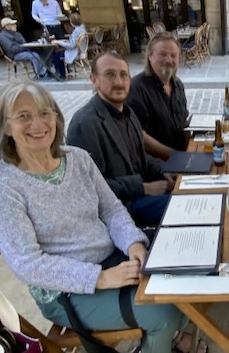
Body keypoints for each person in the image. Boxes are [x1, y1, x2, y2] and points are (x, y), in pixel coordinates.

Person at [0, 81, 207, 353]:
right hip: (66, 291)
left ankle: (169, 332)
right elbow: (27, 264)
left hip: (114, 256)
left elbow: (112, 210)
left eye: (44, 112)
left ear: (56, 118)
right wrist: (100, 278)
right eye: (23, 116)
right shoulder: (0, 186)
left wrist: (134, 243)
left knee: (185, 266)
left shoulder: (77, 159)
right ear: (5, 126)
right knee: (163, 309)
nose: (37, 124)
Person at [67, 51, 173, 227]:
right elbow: (90, 187)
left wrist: (164, 170)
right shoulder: (84, 124)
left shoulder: (127, 113)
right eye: (110, 74)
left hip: (142, 193)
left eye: (123, 75)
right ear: (94, 80)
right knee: (186, 205)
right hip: (121, 208)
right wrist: (144, 188)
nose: (118, 82)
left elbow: (141, 157)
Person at [128, 32, 189, 159]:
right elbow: (139, 135)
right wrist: (174, 155)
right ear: (150, 56)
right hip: (157, 164)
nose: (169, 60)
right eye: (162, 54)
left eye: (173, 55)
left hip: (182, 155)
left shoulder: (178, 85)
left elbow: (184, 122)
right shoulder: (137, 88)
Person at [51, 12, 85, 78]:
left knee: (55, 55)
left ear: (72, 22)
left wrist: (58, 42)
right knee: (58, 52)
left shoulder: (76, 31)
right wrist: (61, 42)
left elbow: (71, 45)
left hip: (75, 52)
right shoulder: (82, 29)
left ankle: (62, 74)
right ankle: (67, 71)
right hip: (80, 50)